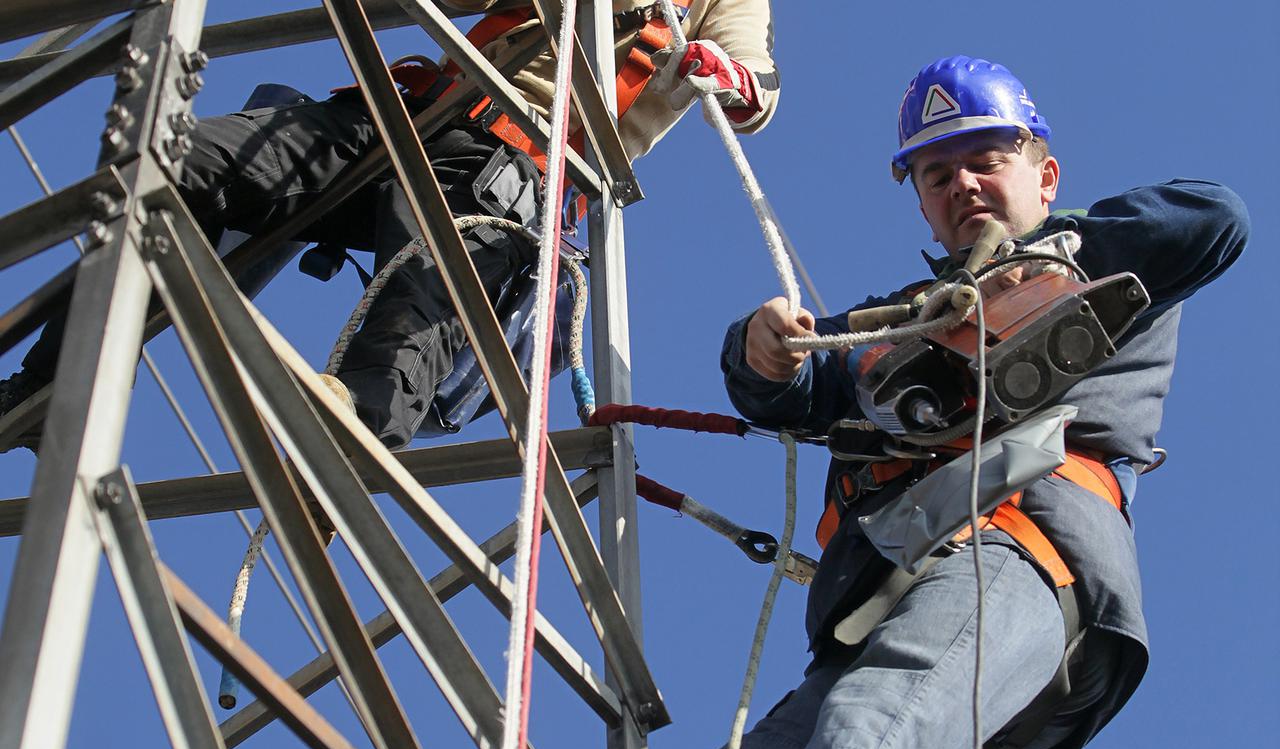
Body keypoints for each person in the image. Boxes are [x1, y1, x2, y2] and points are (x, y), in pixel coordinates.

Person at [659, 55, 1249, 749]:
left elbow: (1215, 218)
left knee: (871, 735)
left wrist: (1052, 258)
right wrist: (760, 351)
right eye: (937, 176)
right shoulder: (901, 321)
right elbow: (794, 386)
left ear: (1045, 176)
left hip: (1020, 550)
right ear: (924, 208)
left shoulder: (1100, 271)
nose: (962, 184)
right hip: (877, 604)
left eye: (985, 160)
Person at [0, 0, 779, 452]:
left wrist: (723, 71)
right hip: (411, 116)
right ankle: (56, 381)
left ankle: (335, 464)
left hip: (511, 168)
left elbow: (757, 92)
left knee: (410, 329)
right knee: (184, 163)